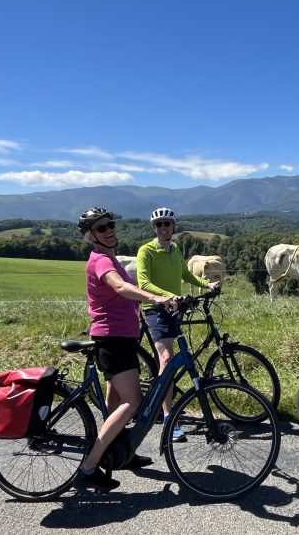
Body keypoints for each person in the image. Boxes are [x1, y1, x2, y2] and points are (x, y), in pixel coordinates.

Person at [76, 207, 174, 492]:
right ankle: (89, 467)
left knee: (116, 398)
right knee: (133, 402)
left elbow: (128, 288)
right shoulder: (100, 262)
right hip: (113, 339)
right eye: (102, 228)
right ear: (91, 236)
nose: (110, 230)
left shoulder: (109, 258)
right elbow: (119, 287)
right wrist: (156, 297)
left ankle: (120, 452)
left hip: (122, 338)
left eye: (111, 225)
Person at [136, 207, 219, 441]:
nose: (163, 228)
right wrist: (168, 296)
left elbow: (186, 275)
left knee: (174, 359)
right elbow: (144, 283)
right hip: (155, 310)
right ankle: (168, 418)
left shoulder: (175, 249)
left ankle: (166, 394)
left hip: (174, 308)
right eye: (159, 225)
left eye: (167, 224)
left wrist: (207, 285)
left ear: (173, 227)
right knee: (167, 361)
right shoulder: (147, 251)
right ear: (154, 228)